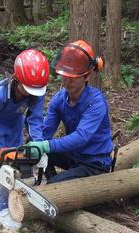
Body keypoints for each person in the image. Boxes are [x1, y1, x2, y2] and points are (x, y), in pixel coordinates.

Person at [25, 40, 114, 184]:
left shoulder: (96, 102)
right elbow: (46, 130)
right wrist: (36, 144)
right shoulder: (59, 99)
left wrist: (46, 145)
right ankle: (53, 182)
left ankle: (54, 186)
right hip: (73, 156)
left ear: (86, 76)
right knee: (35, 144)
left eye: (73, 77)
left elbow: (81, 137)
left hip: (93, 162)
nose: (67, 81)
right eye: (64, 75)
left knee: (53, 179)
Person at [0, 49, 49, 230]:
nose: (28, 95)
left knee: (18, 167)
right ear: (16, 78)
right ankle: (1, 210)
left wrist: (38, 145)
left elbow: (34, 119)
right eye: (25, 90)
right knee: (1, 170)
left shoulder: (36, 92)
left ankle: (20, 202)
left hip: (15, 129)